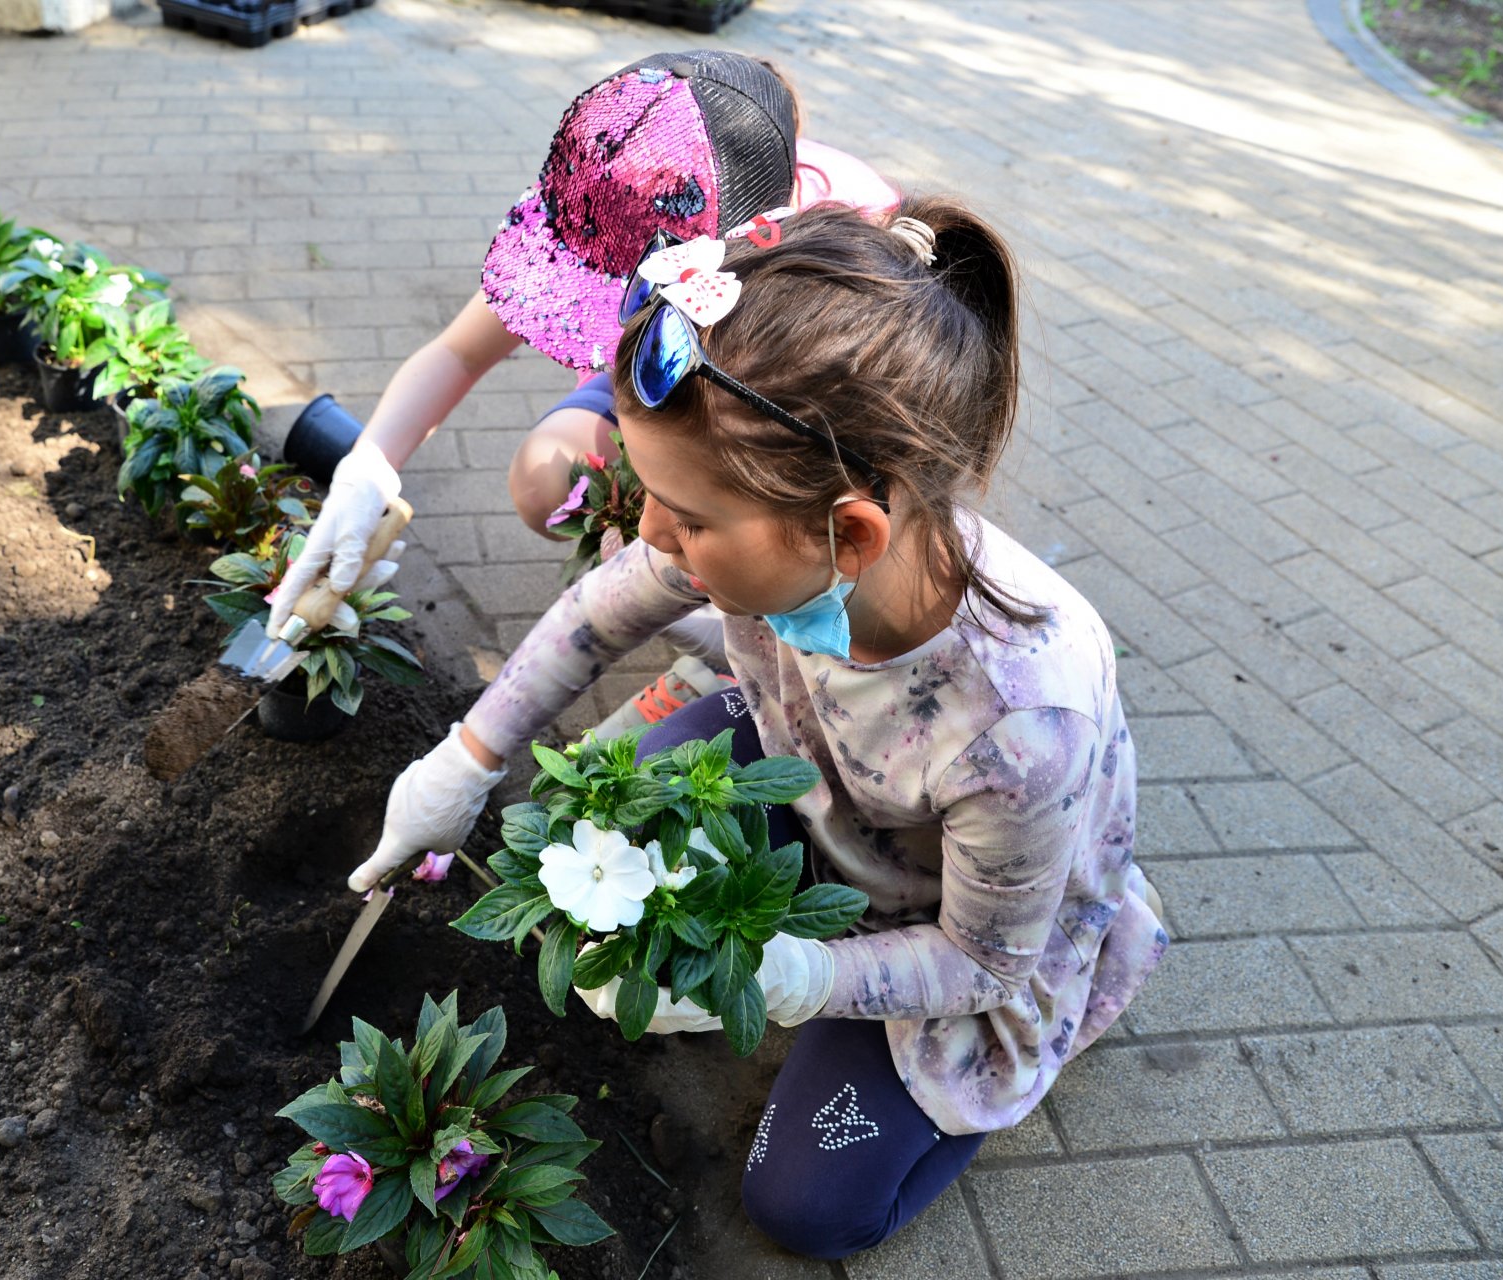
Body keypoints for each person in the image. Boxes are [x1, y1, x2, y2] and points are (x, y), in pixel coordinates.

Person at [346, 201, 1169, 1257]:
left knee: (807, 1207)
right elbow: (599, 611)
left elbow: (983, 964)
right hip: (834, 784)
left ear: (854, 533)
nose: (650, 530)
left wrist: (801, 978)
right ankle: (816, 932)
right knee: (640, 780)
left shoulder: (1020, 724)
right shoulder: (784, 533)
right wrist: (463, 760)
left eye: (686, 518)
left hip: (968, 927)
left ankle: (945, 1019)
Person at [266, 50, 898, 721]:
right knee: (550, 477)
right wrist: (368, 470)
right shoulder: (612, 192)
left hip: (786, 417)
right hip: (661, 387)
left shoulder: (838, 252)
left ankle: (754, 631)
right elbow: (456, 352)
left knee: (764, 548)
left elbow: (864, 471)